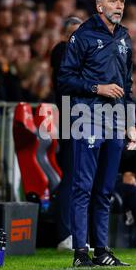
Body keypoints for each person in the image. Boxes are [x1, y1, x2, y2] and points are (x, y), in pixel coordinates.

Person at [58, 0, 136, 267]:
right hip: (87, 118)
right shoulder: (82, 36)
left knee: (105, 190)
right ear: (100, 6)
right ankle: (81, 254)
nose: (120, 5)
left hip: (116, 122)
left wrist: (131, 123)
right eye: (114, 1)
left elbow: (127, 87)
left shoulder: (126, 38)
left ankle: (102, 251)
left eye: (122, 1)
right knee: (83, 187)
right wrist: (97, 88)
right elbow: (64, 79)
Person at [50, 16, 83, 251]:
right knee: (70, 177)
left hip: (83, 119)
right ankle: (64, 235)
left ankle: (75, 233)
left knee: (80, 179)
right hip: (69, 119)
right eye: (73, 33)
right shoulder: (61, 50)